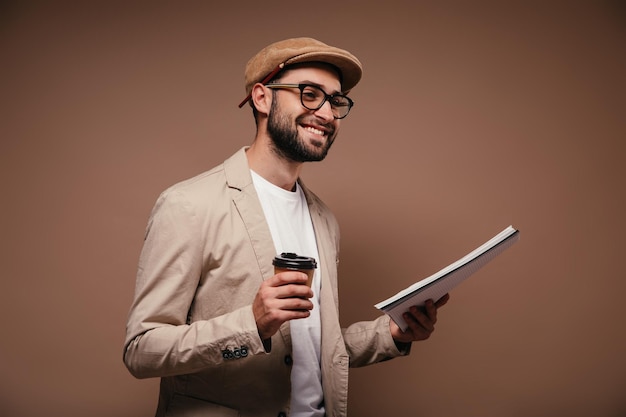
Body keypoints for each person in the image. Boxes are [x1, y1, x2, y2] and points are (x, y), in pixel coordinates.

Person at [123, 37, 450, 417]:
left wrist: (391, 333)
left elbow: (307, 349)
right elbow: (141, 349)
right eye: (309, 94)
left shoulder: (324, 219)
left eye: (336, 101)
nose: (327, 114)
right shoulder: (188, 205)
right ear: (262, 98)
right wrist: (251, 324)